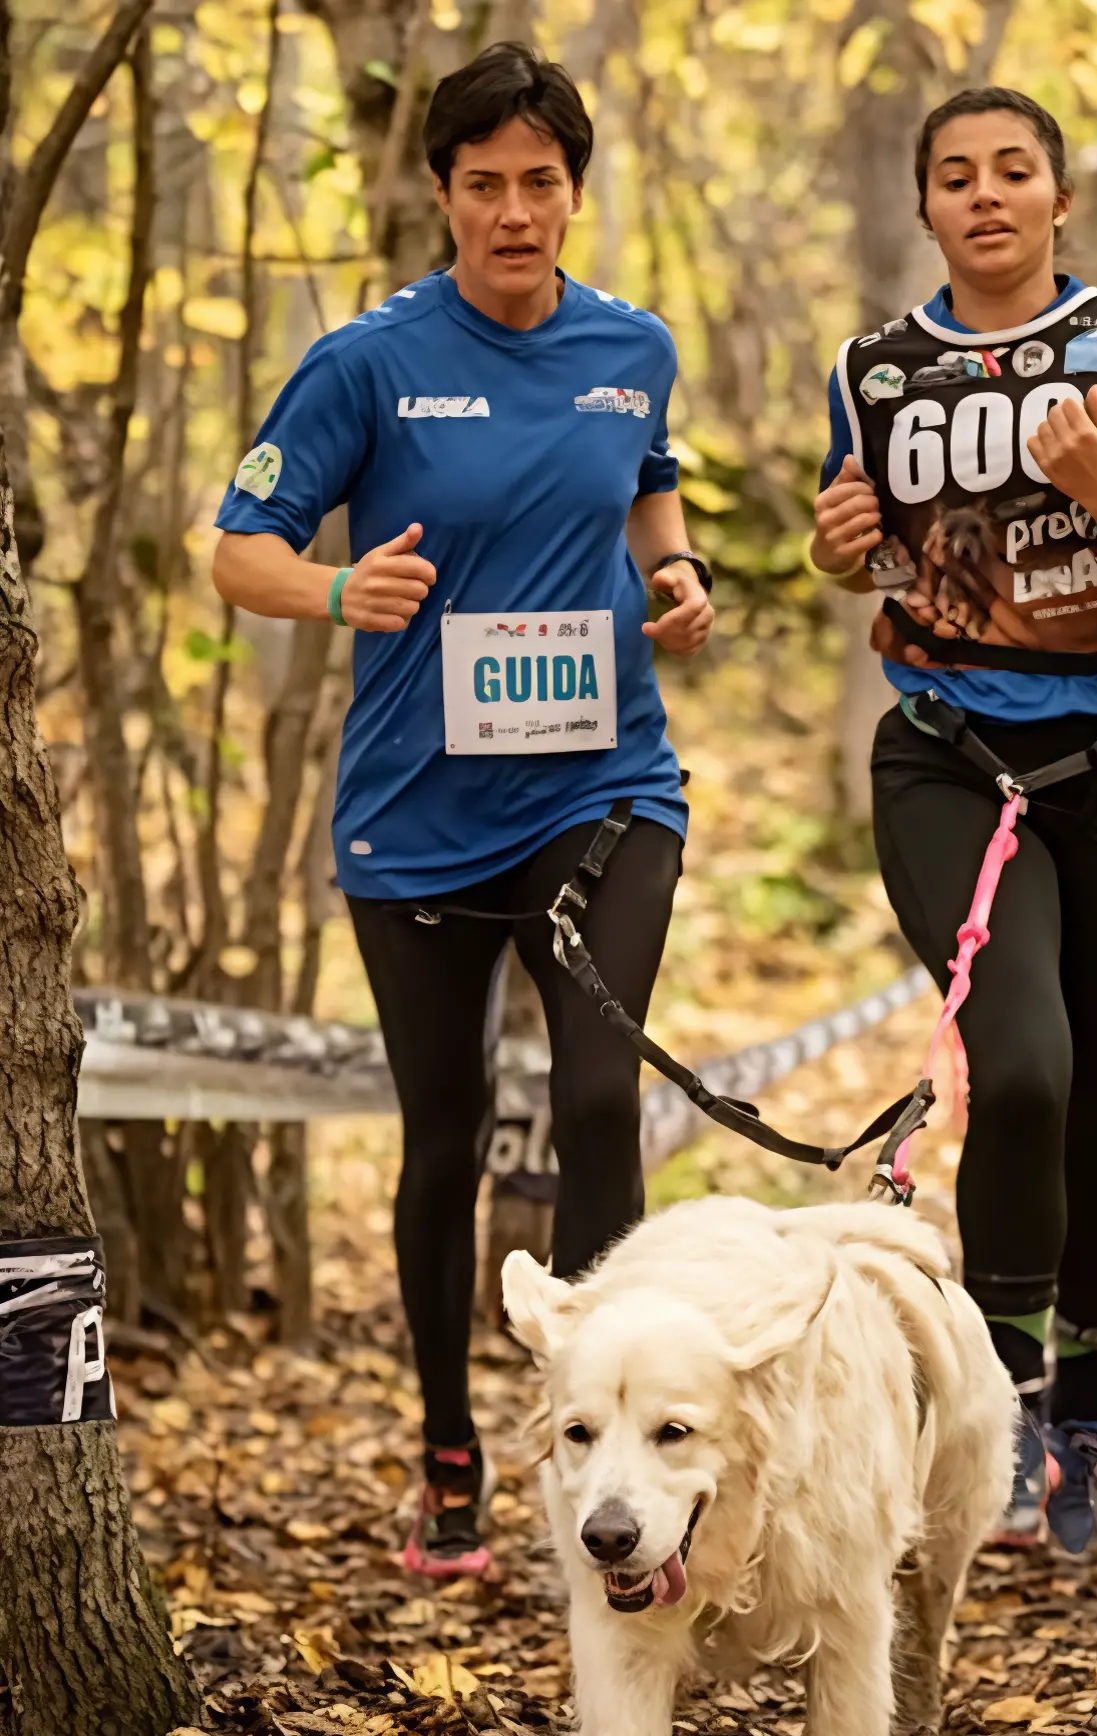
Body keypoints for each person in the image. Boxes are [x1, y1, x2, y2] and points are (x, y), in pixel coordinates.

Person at [212, 42, 713, 1576]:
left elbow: (647, 478)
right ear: (441, 193)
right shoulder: (367, 360)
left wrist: (678, 571)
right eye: (483, 185)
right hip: (420, 817)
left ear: (574, 192)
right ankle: (448, 1446)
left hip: (606, 784)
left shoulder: (634, 345)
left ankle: (600, 1455)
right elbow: (239, 548)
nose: (513, 212)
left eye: (540, 185)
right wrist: (335, 589)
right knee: (442, 1139)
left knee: (593, 1106)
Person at [811, 87, 1097, 1552]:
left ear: (1060, 199)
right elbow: (885, 571)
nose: (986, 196)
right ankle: (997, 1417)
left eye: (1016, 172)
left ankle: (1083, 1419)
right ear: (926, 206)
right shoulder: (876, 370)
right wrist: (839, 558)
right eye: (956, 176)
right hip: (951, 768)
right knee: (1025, 1067)